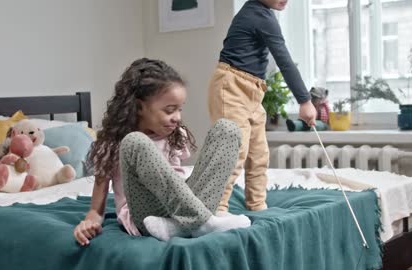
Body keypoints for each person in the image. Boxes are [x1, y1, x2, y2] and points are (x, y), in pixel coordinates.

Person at [73, 58, 251, 244]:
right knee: (134, 141)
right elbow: (95, 210)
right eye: (170, 110)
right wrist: (88, 223)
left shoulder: (174, 135)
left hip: (183, 205)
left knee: (227, 129)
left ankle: (180, 226)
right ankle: (204, 221)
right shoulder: (111, 145)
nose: (177, 118)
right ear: (139, 106)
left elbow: (177, 183)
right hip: (147, 217)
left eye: (179, 110)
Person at [207, 0, 317, 213]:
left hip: (253, 91)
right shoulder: (259, 16)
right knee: (233, 150)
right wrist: (305, 100)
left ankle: (257, 205)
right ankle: (216, 209)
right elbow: (284, 60)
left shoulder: (264, 14)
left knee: (259, 153)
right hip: (231, 86)